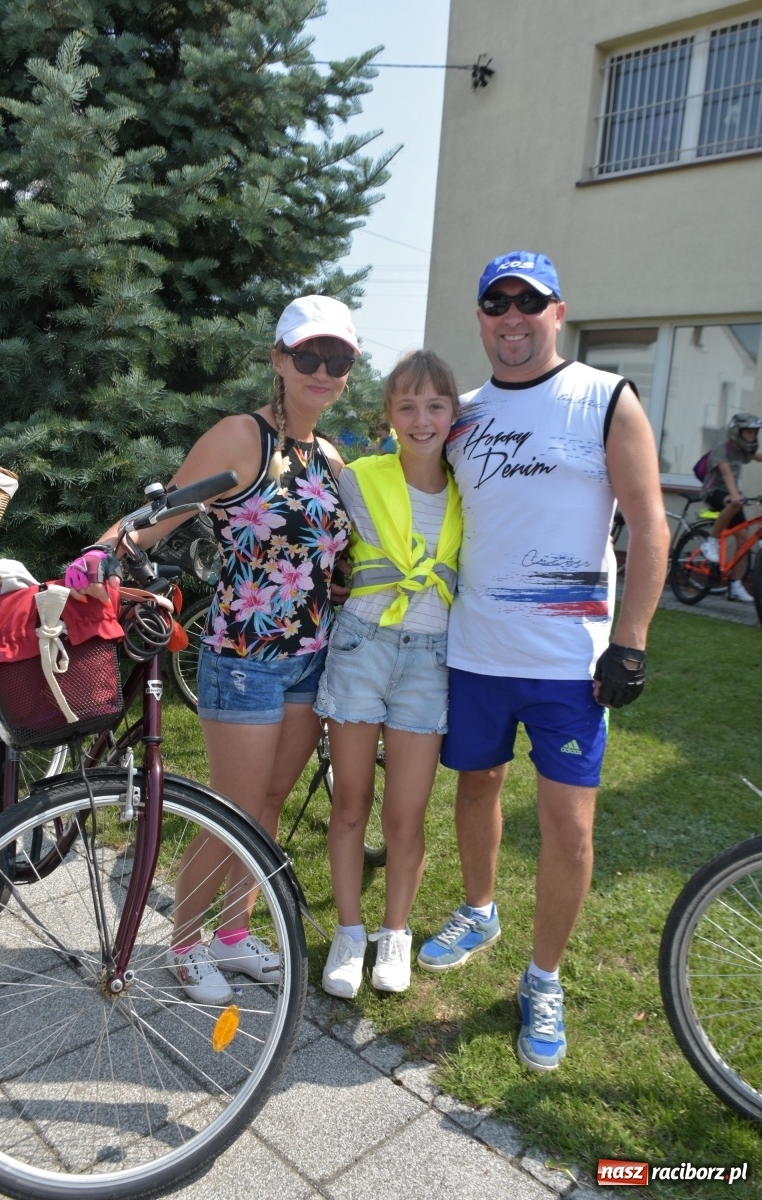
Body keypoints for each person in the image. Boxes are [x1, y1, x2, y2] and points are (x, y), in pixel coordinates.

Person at [416, 251, 669, 1071]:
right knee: (476, 787)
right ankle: (480, 909)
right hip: (476, 651)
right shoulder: (461, 415)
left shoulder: (606, 398)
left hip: (570, 662)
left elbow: (649, 524)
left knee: (568, 826)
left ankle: (543, 977)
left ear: (558, 311)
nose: (512, 316)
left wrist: (631, 641)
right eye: (497, 302)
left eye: (530, 301)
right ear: (481, 317)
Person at [95, 295, 357, 1003]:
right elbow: (158, 517)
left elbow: (328, 557)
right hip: (244, 660)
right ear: (279, 359)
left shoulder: (329, 456)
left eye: (337, 359)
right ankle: (184, 943)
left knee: (266, 805)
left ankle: (233, 936)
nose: (323, 370)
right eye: (308, 355)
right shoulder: (244, 438)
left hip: (309, 658)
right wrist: (101, 552)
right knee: (232, 810)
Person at [315, 350, 462, 997]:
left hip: (429, 661)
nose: (421, 419)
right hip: (362, 650)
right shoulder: (358, 478)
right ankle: (350, 934)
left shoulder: (468, 489)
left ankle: (394, 933)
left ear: (453, 414)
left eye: (435, 406)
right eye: (407, 406)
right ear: (389, 415)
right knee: (351, 803)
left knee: (407, 815)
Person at [698, 412, 762, 602]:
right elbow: (726, 474)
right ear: (736, 432)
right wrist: (735, 495)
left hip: (732, 496)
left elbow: (758, 457)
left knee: (744, 538)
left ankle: (735, 585)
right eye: (748, 432)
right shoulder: (722, 450)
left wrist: (735, 496)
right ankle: (711, 541)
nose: (752, 436)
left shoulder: (743, 451)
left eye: (754, 433)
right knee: (733, 504)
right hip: (713, 492)